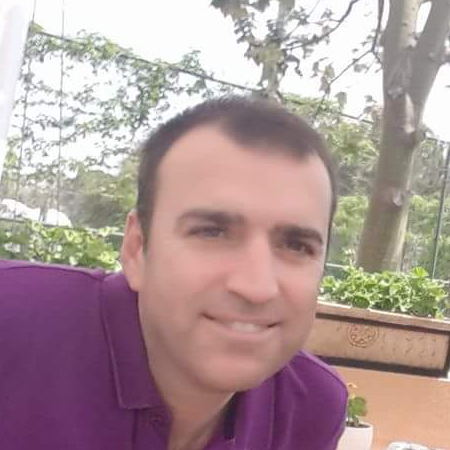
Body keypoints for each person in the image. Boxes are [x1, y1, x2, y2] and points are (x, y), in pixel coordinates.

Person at [0, 96, 347, 450]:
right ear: (137, 248)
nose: (257, 287)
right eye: (211, 232)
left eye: (297, 246)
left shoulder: (309, 410)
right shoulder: (10, 323)